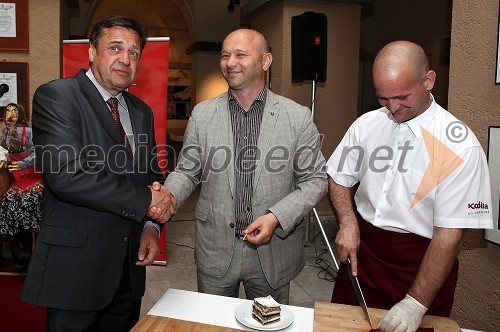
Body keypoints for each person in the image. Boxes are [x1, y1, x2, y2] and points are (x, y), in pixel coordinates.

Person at [20, 16, 174, 331]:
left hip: (128, 270)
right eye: (115, 47)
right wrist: (148, 199)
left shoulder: (140, 111)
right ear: (91, 51)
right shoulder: (57, 96)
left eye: (134, 53)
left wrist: (150, 228)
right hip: (76, 271)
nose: (126, 58)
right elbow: (66, 174)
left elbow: (151, 175)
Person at [326, 40, 493, 332]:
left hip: (420, 266)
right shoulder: (367, 125)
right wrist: (348, 222)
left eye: (402, 96)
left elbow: (449, 236)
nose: (392, 107)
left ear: (428, 81)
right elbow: (338, 176)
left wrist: (415, 302)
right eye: (382, 98)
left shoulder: (461, 146)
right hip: (363, 259)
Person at [161, 28, 327, 304]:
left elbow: (315, 179)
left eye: (240, 54)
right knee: (213, 325)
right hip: (215, 247)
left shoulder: (297, 117)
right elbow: (187, 171)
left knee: (267, 324)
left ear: (265, 61)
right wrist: (168, 197)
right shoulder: (203, 114)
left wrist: (276, 217)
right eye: (225, 55)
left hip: (273, 252)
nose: (230, 62)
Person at [0, 103, 43, 270]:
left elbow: (37, 153)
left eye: (14, 111)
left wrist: (23, 163)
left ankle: (37, 256)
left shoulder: (29, 133)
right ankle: (20, 252)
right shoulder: (5, 135)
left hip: (33, 180)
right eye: (8, 110)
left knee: (33, 210)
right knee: (9, 207)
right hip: (16, 182)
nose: (11, 113)